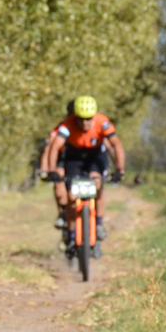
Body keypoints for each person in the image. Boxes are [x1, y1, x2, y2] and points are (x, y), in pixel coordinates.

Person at [39, 95, 125, 238]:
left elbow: (116, 145)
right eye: (81, 119)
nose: (85, 123)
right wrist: (51, 170)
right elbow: (53, 147)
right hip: (74, 157)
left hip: (95, 156)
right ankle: (71, 232)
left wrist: (120, 169)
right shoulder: (67, 125)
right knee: (71, 195)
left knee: (98, 184)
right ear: (75, 117)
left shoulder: (103, 123)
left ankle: (99, 223)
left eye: (89, 119)